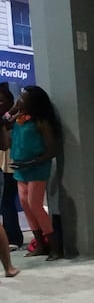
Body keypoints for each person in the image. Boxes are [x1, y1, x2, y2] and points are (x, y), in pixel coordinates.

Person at [0, 85, 61, 261]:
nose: (20, 100)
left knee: (35, 205)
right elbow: (3, 132)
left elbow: (51, 150)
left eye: (23, 97)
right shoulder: (19, 118)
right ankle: (40, 244)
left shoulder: (41, 122)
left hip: (36, 168)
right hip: (20, 168)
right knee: (26, 205)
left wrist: (31, 162)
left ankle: (54, 246)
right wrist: (10, 112)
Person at [0, 84, 24, 250]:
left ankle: (13, 237)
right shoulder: (5, 119)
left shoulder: (19, 120)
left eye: (1, 100)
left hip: (14, 165)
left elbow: (6, 143)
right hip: (4, 165)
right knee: (6, 202)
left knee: (7, 202)